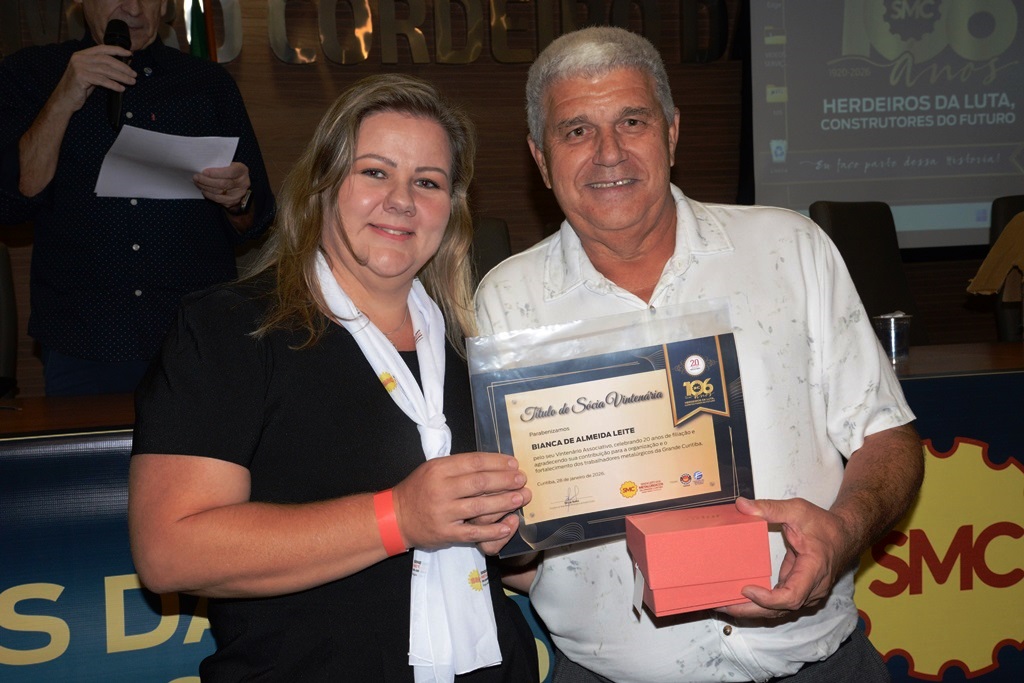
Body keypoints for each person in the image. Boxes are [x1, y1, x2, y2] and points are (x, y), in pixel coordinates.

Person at [474, 26, 924, 683]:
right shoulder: (507, 300)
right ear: (541, 159)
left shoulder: (789, 249)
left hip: (820, 664)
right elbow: (519, 549)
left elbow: (886, 434)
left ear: (672, 132)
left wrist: (843, 530)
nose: (608, 152)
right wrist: (500, 533)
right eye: (576, 130)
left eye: (632, 121)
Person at [128, 73, 539, 682]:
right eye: (375, 172)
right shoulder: (228, 330)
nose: (401, 200)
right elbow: (170, 552)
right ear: (321, 186)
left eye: (427, 182)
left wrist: (523, 537)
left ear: (451, 211)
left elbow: (522, 561)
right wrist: (399, 516)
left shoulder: (479, 343)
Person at [0, 0, 274, 396]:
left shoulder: (207, 83)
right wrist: (64, 97)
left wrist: (238, 199)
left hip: (197, 339)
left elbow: (257, 218)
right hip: (84, 342)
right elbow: (13, 199)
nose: (133, 7)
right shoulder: (32, 73)